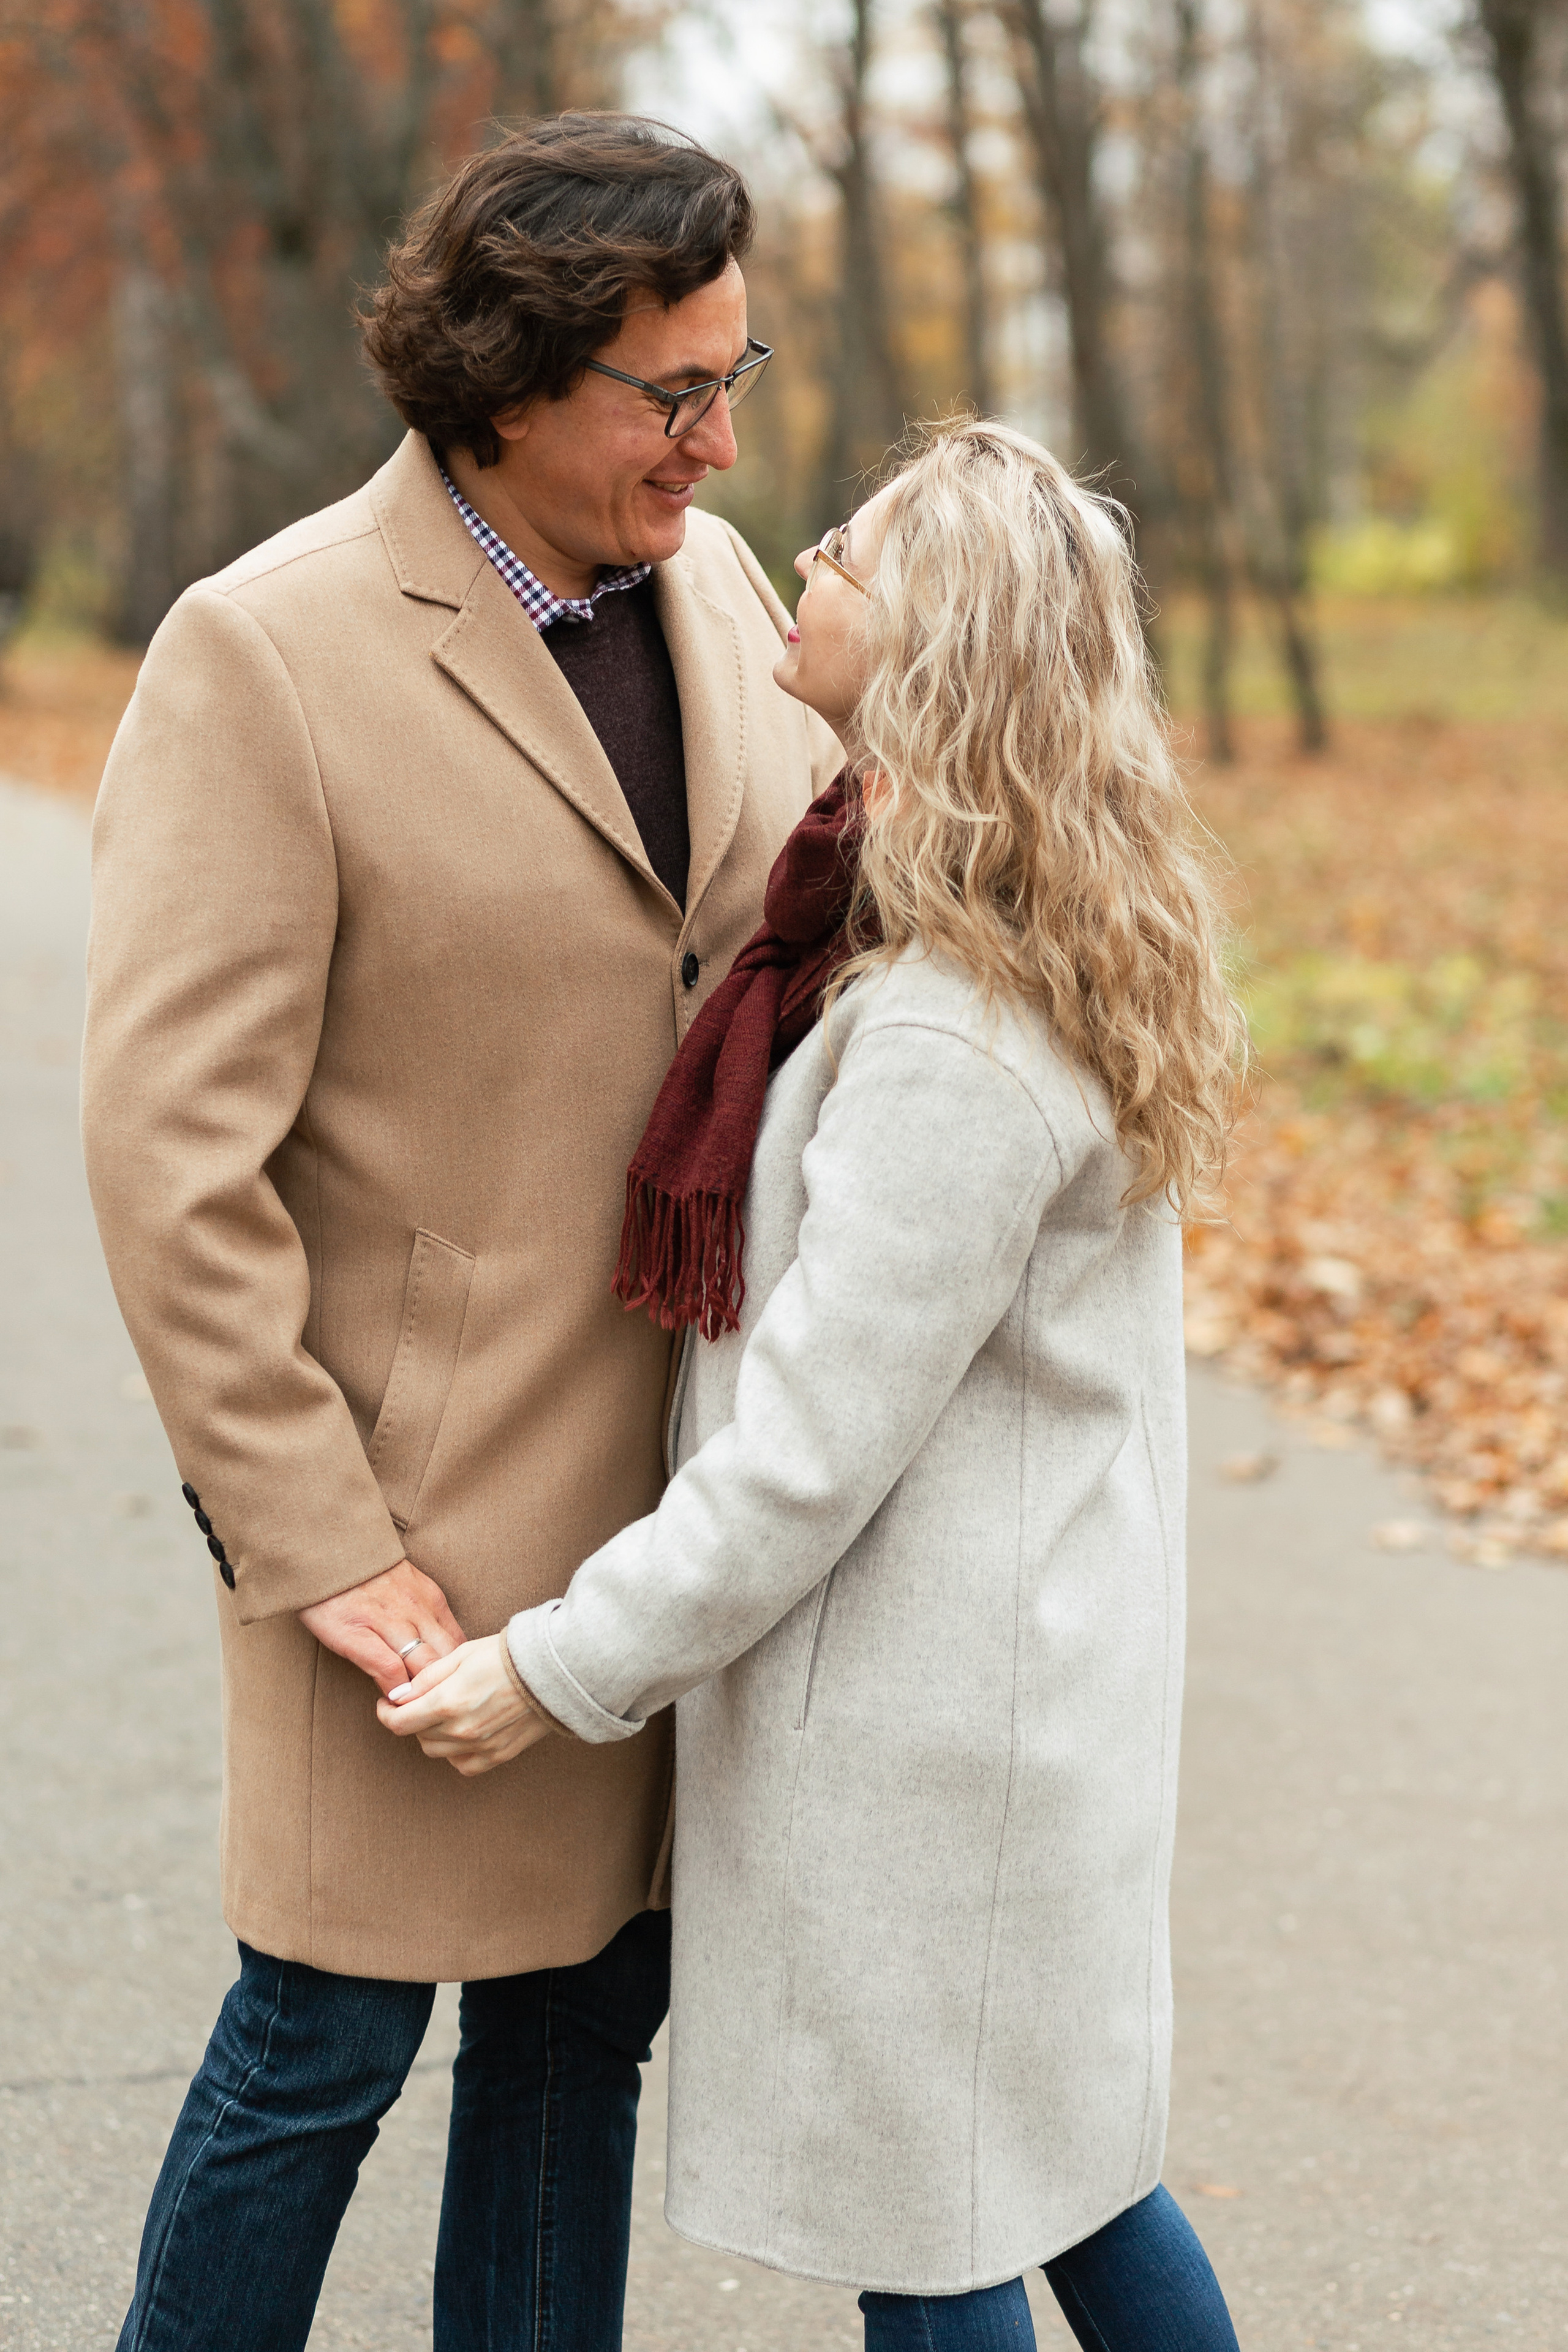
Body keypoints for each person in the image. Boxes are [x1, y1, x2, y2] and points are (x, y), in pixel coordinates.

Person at [80, 113, 837, 2352]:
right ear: (507, 382)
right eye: (670, 394)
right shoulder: (267, 651)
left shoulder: (728, 588)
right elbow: (171, 1155)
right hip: (413, 1526)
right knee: (320, 2045)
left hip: (677, 1508)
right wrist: (312, 1539)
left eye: (732, 378)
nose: (717, 441)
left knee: (580, 2038)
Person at [385, 420, 1248, 2350]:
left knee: (937, 2224)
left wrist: (555, 1669)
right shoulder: (952, 931)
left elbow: (804, 1460)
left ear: (936, 637)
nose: (803, 561)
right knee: (1067, 2180)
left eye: (847, 550)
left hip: (932, 1747)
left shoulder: (947, 1030)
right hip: (1005, 1694)